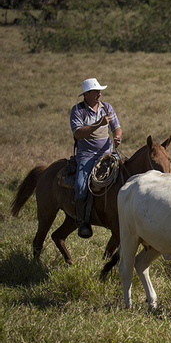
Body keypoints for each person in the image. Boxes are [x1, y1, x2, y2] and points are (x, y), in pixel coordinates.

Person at [69, 78, 122, 238]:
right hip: (87, 156)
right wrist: (98, 124)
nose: (99, 94)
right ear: (86, 94)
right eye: (96, 91)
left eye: (100, 91)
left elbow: (116, 127)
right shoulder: (78, 111)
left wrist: (117, 136)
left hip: (107, 153)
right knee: (80, 186)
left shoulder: (107, 107)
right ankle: (82, 221)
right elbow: (78, 134)